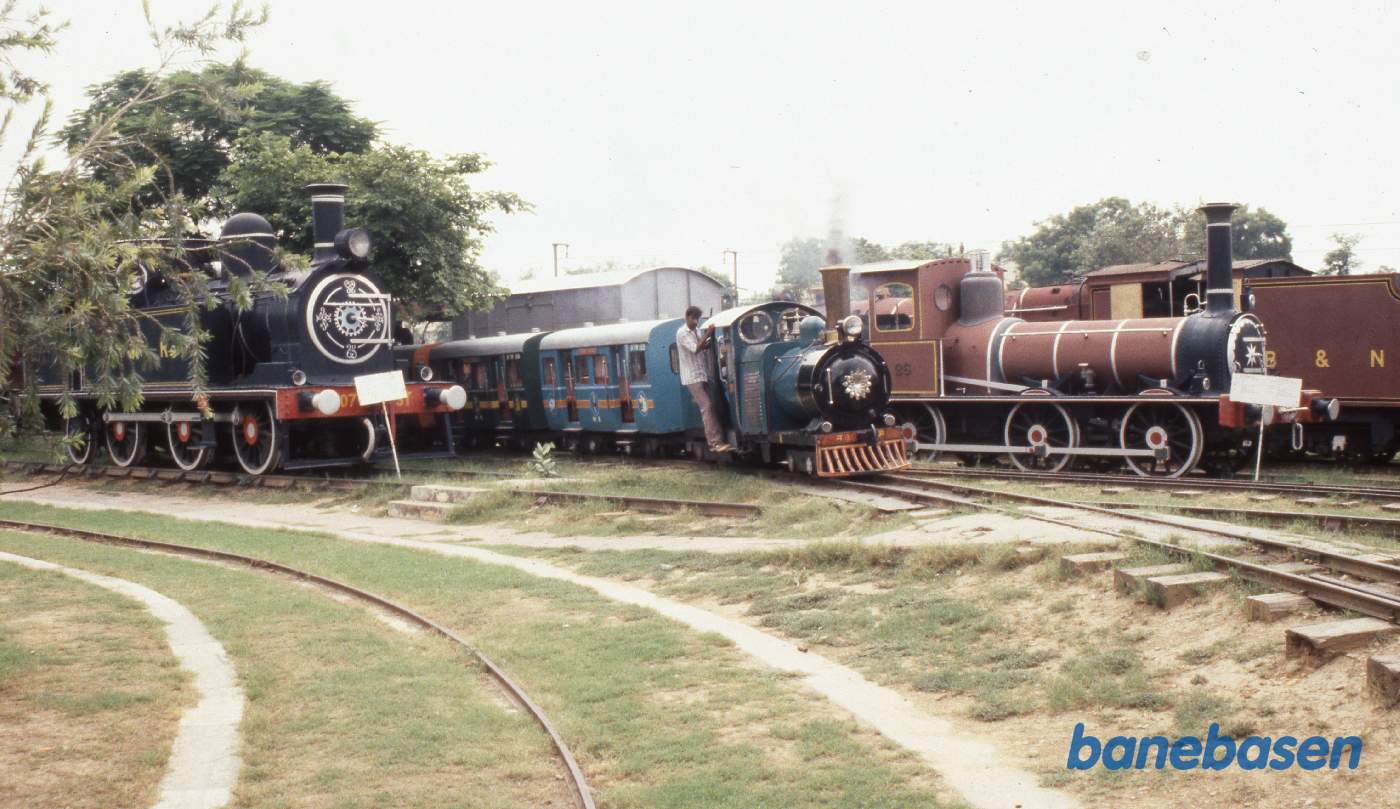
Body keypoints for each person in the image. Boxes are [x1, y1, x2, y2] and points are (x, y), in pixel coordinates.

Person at [676, 305, 731, 453]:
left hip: (702, 375)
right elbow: (695, 348)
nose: (696, 322)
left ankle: (720, 438)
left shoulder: (694, 331)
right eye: (694, 319)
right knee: (707, 407)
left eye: (697, 319)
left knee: (714, 404)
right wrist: (708, 333)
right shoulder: (682, 333)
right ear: (687, 317)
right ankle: (714, 443)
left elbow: (703, 347)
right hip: (692, 378)